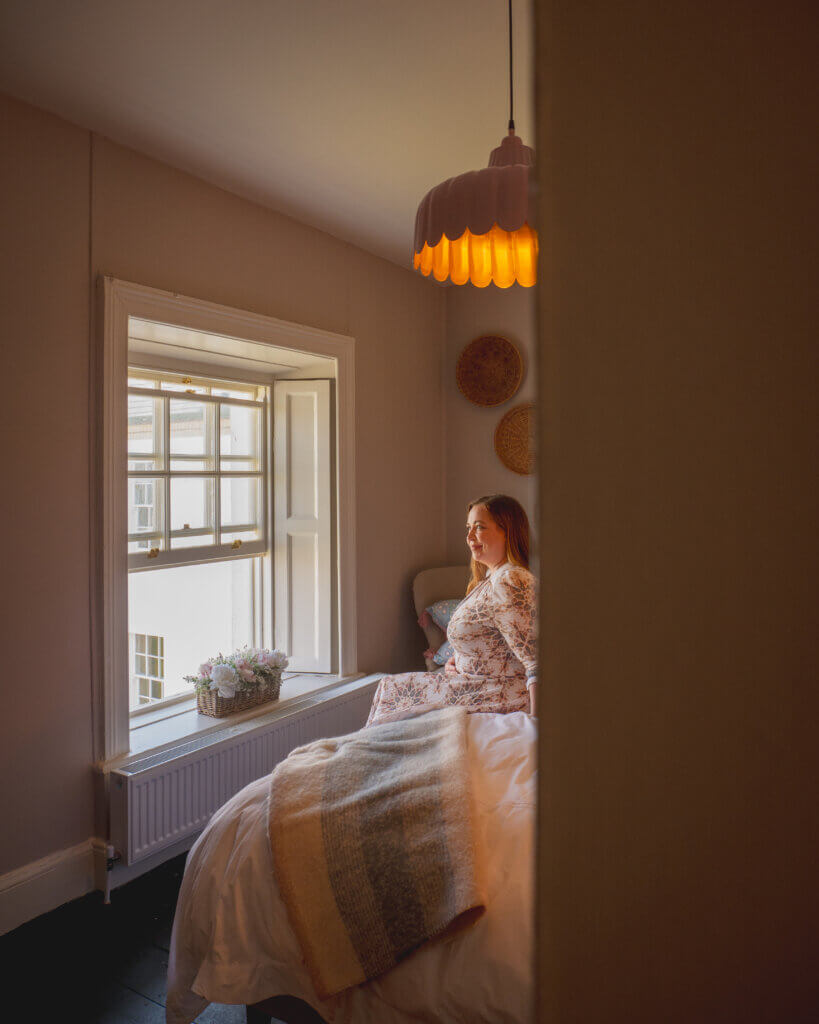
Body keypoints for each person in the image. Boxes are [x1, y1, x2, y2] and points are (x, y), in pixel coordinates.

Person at [366, 494, 537, 727]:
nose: (469, 537)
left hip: (497, 693)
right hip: (475, 684)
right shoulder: (491, 579)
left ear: (507, 530)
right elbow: (492, 639)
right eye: (468, 528)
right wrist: (456, 658)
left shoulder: (511, 580)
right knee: (391, 688)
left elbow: (536, 659)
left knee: (395, 692)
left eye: (479, 527)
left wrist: (534, 726)